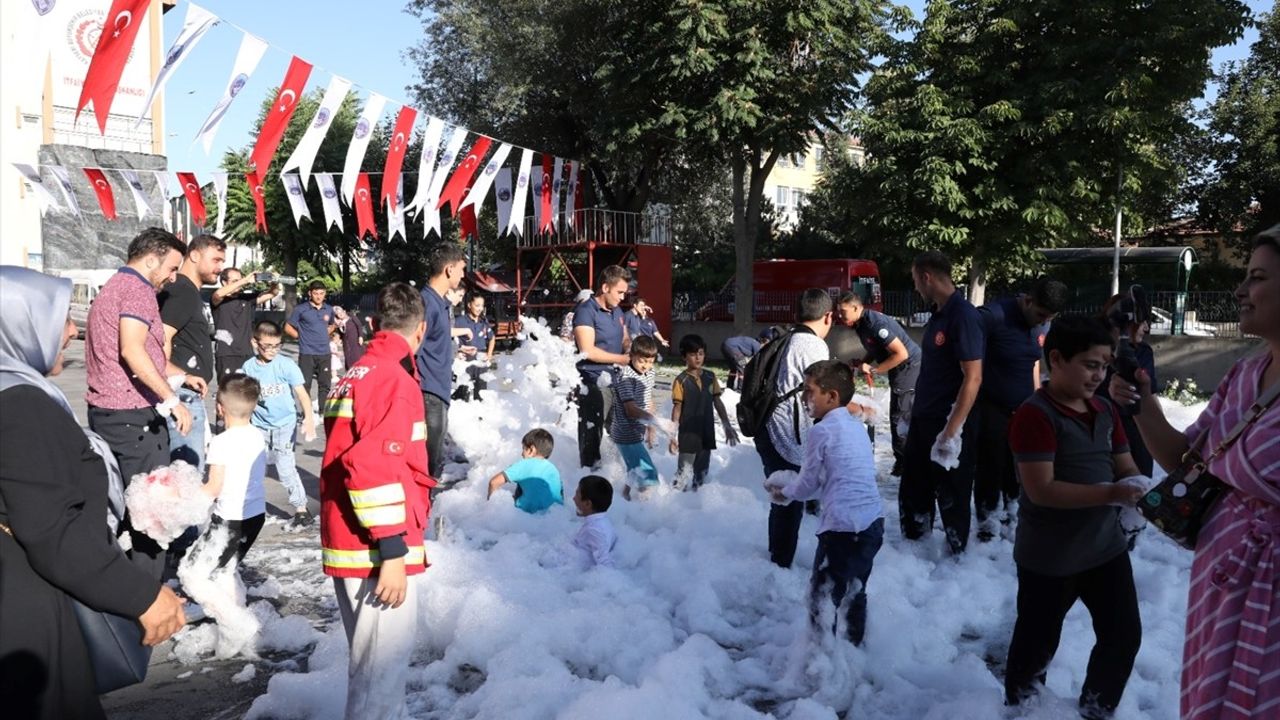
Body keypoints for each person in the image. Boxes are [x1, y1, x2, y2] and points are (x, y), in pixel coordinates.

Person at [0, 266, 186, 720]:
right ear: (20, 323)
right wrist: (139, 595)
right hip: (27, 611)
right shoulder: (19, 403)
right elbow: (52, 527)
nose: (72, 330)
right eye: (61, 318)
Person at [1109, 226, 1280, 720]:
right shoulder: (1244, 374)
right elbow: (1189, 463)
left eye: (1257, 277)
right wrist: (1143, 408)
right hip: (1221, 582)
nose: (1239, 290)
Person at [1004, 315, 1145, 719]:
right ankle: (1022, 711)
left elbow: (1125, 466)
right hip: (1048, 557)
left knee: (1123, 636)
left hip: (1105, 548)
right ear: (1056, 359)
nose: (1099, 375)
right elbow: (1042, 490)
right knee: (1036, 646)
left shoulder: (1104, 409)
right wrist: (1115, 494)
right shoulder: (1035, 415)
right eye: (1089, 364)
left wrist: (1144, 491)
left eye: (1104, 365)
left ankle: (1096, 711)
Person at [320, 282, 436, 720]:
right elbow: (373, 468)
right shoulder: (395, 381)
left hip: (352, 537)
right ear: (421, 330)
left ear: (372, 325)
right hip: (377, 547)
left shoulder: (356, 373)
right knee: (379, 681)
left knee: (373, 671)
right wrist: (392, 548)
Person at [85, 227, 196, 580]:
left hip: (112, 413)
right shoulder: (137, 288)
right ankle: (147, 606)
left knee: (125, 511)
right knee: (151, 517)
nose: (172, 277)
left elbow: (142, 353)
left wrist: (177, 376)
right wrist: (172, 400)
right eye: (171, 267)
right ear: (152, 258)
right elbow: (132, 349)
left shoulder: (116, 285)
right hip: (132, 418)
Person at [767, 360, 883, 646]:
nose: (805, 399)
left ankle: (820, 665)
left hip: (842, 529)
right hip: (872, 524)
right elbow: (835, 479)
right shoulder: (856, 427)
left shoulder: (821, 430)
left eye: (809, 391)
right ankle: (854, 653)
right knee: (855, 591)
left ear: (831, 397)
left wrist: (785, 493)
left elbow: (807, 485)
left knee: (821, 597)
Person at [900, 251, 984, 554]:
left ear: (926, 277)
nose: (915, 288)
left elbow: (972, 377)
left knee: (952, 495)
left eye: (915, 281)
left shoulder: (963, 316)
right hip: (925, 418)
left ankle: (955, 559)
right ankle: (914, 556)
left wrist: (951, 431)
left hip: (949, 422)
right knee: (914, 491)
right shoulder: (938, 315)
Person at [974, 277, 1067, 541]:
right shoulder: (993, 317)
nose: (1042, 321)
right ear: (1027, 300)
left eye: (1048, 318)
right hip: (991, 407)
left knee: (1017, 469)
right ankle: (986, 525)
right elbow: (969, 361)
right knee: (990, 467)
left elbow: (1033, 363)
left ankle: (1011, 516)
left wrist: (1038, 398)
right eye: (1040, 314)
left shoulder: (1042, 325)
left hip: (1025, 410)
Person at [758, 289, 834, 568]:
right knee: (790, 501)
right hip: (786, 436)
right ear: (828, 316)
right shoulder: (814, 346)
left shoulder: (787, 337)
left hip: (769, 429)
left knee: (781, 498)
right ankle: (779, 565)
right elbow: (823, 395)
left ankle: (774, 559)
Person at [239, 321, 318, 528]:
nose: (273, 350)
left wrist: (309, 418)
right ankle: (249, 507)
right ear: (255, 343)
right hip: (259, 424)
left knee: (285, 467)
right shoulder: (249, 367)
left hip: (285, 423)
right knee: (254, 465)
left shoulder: (286, 365)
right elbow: (246, 396)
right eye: (267, 346)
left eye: (277, 345)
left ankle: (301, 510)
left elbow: (302, 394)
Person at [158, 234, 226, 472]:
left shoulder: (187, 291)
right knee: (187, 478)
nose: (220, 268)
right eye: (216, 260)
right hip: (182, 394)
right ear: (195, 255)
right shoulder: (183, 291)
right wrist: (179, 377)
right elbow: (161, 339)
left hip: (187, 394)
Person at [836, 290, 922, 476]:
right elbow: (875, 347)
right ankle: (905, 462)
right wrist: (863, 361)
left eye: (843, 312)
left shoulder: (875, 323)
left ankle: (906, 466)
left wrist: (874, 369)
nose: (840, 316)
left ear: (856, 308)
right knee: (901, 415)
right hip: (899, 367)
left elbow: (901, 354)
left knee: (899, 417)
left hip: (908, 366)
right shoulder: (860, 324)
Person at [193, 374, 268, 574]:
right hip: (256, 515)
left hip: (229, 520)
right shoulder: (257, 435)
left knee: (195, 573)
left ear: (219, 408)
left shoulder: (221, 442)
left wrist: (182, 497)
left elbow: (213, 488)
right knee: (224, 571)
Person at [416, 243, 468, 481]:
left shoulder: (441, 303)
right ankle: (422, 510)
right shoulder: (427, 303)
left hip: (438, 388)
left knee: (434, 456)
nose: (463, 275)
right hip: (428, 390)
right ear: (449, 269)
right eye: (461, 269)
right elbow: (413, 347)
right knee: (427, 459)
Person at [573, 265, 633, 468]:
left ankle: (616, 476)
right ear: (605, 287)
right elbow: (587, 350)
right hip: (593, 381)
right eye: (620, 292)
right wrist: (621, 359)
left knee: (620, 430)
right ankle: (589, 479)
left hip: (615, 379)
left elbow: (624, 337)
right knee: (592, 434)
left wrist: (630, 348)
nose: (623, 298)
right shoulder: (585, 311)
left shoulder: (617, 311)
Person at [1094, 292, 1159, 477]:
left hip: (1134, 424)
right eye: (1142, 322)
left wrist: (1156, 426)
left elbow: (1151, 393)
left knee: (1141, 480)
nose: (1146, 328)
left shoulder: (1144, 352)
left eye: (1148, 322)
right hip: (1100, 425)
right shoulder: (1092, 349)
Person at [669, 334, 739, 490]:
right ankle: (675, 505)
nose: (698, 358)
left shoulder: (710, 376)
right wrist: (672, 434)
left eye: (700, 353)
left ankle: (696, 505)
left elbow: (717, 402)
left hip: (706, 432)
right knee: (683, 474)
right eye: (693, 354)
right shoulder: (681, 380)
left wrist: (727, 425)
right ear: (684, 357)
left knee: (701, 474)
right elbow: (677, 407)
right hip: (688, 433)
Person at [611, 335, 661, 500]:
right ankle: (644, 510)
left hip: (636, 431)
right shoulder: (626, 378)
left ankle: (624, 498)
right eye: (642, 361)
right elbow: (631, 410)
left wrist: (651, 428)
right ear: (631, 356)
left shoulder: (649, 373)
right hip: (625, 433)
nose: (646, 366)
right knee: (648, 474)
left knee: (634, 469)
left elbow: (648, 399)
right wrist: (659, 423)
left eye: (650, 361)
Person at [211, 267, 280, 382]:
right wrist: (245, 280)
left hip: (247, 352)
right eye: (234, 281)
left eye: (240, 280)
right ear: (224, 282)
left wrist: (274, 282)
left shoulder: (247, 299)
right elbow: (217, 294)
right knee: (228, 391)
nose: (238, 284)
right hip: (226, 354)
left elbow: (272, 293)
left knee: (249, 391)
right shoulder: (218, 300)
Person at [285, 280, 336, 414]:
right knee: (305, 384)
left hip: (324, 353)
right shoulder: (301, 309)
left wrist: (325, 334)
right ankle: (307, 413)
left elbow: (332, 325)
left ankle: (323, 412)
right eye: (316, 293)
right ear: (310, 293)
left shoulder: (329, 309)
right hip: (307, 353)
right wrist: (300, 337)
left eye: (322, 293)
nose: (319, 296)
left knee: (325, 384)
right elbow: (288, 327)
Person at [486, 429, 563, 513]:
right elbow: (560, 494)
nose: (521, 454)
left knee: (520, 485)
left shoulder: (525, 464)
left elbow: (493, 482)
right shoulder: (554, 470)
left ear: (531, 450)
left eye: (523, 449)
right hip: (555, 516)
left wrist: (490, 505)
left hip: (527, 517)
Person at [455, 292, 496, 400]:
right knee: (463, 395)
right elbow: (452, 339)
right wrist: (457, 351)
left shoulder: (484, 321)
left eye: (482, 306)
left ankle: (481, 416)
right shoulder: (459, 321)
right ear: (469, 305)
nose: (480, 309)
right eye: (477, 305)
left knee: (481, 394)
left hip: (481, 361)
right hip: (466, 362)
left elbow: (492, 338)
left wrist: (489, 354)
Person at [571, 475, 617, 568]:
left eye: (577, 494)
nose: (573, 498)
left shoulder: (594, 530)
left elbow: (605, 563)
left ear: (587, 504)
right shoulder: (603, 521)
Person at [334, 305, 366, 370]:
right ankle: (350, 373)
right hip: (347, 344)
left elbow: (359, 325)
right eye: (338, 314)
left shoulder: (351, 317)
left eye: (341, 312)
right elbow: (341, 334)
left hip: (356, 342)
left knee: (358, 357)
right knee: (349, 359)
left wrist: (360, 336)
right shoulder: (340, 323)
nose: (340, 314)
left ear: (344, 311)